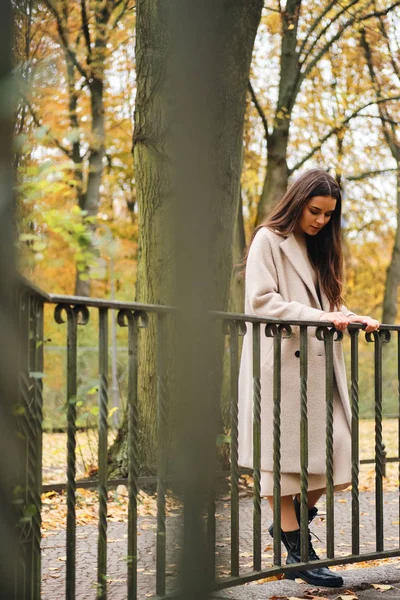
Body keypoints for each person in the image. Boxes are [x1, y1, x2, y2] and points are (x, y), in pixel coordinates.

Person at [238, 169, 379, 587]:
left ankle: (287, 527)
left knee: (340, 446)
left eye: (328, 215)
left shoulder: (320, 247)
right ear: (297, 202)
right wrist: (323, 317)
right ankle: (300, 552)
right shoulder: (269, 239)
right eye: (314, 211)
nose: (320, 220)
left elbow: (327, 300)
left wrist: (350, 316)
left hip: (317, 367)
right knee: (280, 460)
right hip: (280, 364)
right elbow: (263, 301)